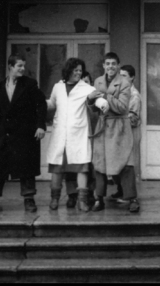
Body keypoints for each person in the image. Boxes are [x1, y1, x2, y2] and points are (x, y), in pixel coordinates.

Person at [0, 54, 47, 214]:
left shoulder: (30, 84)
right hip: (5, 134)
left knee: (26, 167)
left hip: (25, 133)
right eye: (19, 66)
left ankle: (29, 200)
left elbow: (41, 105)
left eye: (23, 65)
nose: (23, 69)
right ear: (10, 67)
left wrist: (40, 126)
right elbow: (0, 112)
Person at [44, 58, 102, 212]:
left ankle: (81, 202)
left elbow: (97, 102)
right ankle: (54, 199)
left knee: (81, 166)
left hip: (78, 134)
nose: (78, 73)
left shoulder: (86, 88)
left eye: (80, 70)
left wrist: (99, 102)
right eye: (75, 70)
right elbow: (52, 104)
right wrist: (39, 102)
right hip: (60, 134)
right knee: (57, 168)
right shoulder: (58, 87)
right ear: (68, 70)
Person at [90, 52, 137, 212]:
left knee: (126, 163)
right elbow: (95, 108)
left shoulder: (124, 83)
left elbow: (123, 107)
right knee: (100, 163)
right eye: (107, 63)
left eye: (113, 64)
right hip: (103, 126)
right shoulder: (97, 81)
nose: (110, 66)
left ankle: (132, 199)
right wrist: (90, 100)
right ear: (104, 65)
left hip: (120, 127)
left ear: (118, 66)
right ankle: (99, 199)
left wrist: (105, 96)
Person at [109, 65, 141, 209]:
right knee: (116, 161)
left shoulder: (134, 95)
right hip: (119, 131)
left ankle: (130, 197)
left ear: (132, 78)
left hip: (130, 131)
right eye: (119, 76)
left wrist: (118, 115)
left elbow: (133, 118)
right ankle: (121, 190)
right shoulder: (119, 91)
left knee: (127, 163)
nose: (121, 79)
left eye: (124, 76)